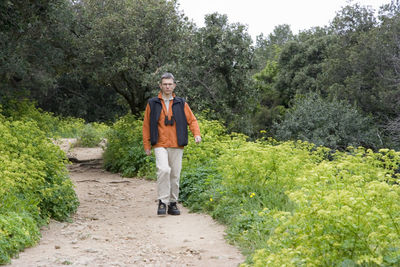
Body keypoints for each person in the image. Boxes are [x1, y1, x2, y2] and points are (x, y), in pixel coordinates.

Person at [142, 72, 201, 216]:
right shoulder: (153, 103)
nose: (167, 86)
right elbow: (146, 125)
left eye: (170, 84)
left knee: (175, 174)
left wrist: (196, 134)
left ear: (174, 85)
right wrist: (147, 145)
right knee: (164, 170)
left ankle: (173, 203)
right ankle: (162, 202)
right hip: (160, 143)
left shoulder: (181, 103)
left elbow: (192, 120)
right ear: (160, 86)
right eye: (165, 84)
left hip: (177, 144)